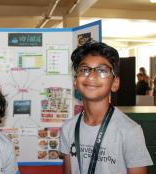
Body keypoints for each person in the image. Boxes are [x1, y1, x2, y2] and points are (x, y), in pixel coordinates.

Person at [60, 41, 153, 174]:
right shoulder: (68, 127)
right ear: (75, 81)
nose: (91, 76)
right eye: (84, 70)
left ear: (115, 83)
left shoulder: (130, 131)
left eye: (102, 70)